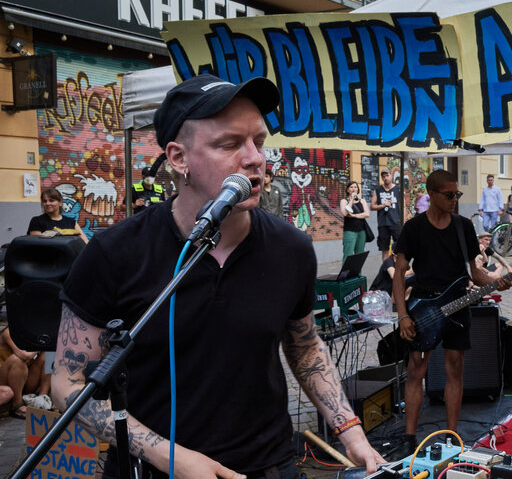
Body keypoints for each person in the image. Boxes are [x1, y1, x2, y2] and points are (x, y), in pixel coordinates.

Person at [52, 74, 384, 478]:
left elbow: (304, 344)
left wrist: (351, 433)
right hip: (153, 469)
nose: (254, 159)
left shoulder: (291, 247)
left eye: (258, 142)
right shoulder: (114, 253)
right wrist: (171, 457)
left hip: (267, 465)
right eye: (229, 144)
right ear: (178, 158)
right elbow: (68, 383)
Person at [392, 169, 511, 455]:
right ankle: (409, 437)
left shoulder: (463, 227)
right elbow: (398, 275)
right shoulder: (414, 228)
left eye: (456, 194)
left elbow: (475, 274)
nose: (454, 200)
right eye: (448, 195)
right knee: (415, 371)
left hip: (457, 305)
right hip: (422, 305)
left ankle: (451, 435)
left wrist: (497, 282)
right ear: (431, 195)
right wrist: (403, 315)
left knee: (455, 369)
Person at [0, 327, 51, 419]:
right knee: (17, 359)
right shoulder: (7, 332)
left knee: (50, 354)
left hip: (23, 381)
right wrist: (43, 343)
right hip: (5, 383)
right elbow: (25, 355)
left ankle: (43, 398)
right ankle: (17, 404)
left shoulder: (34, 332)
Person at [371, 169, 402, 259]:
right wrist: (383, 205)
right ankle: (385, 271)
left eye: (387, 175)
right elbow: (372, 206)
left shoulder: (398, 188)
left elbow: (403, 205)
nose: (385, 178)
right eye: (383, 176)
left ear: (391, 176)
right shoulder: (378, 190)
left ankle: (396, 269)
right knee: (384, 249)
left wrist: (404, 220)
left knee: (399, 248)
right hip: (383, 223)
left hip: (396, 222)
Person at [340, 181, 371, 263]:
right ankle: (346, 276)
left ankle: (358, 275)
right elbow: (345, 213)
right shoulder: (344, 201)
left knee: (359, 255)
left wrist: (354, 216)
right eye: (351, 187)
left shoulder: (362, 201)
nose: (354, 189)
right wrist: (351, 200)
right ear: (347, 190)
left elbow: (367, 214)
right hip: (349, 231)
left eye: (355, 187)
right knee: (348, 255)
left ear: (358, 189)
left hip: (361, 231)